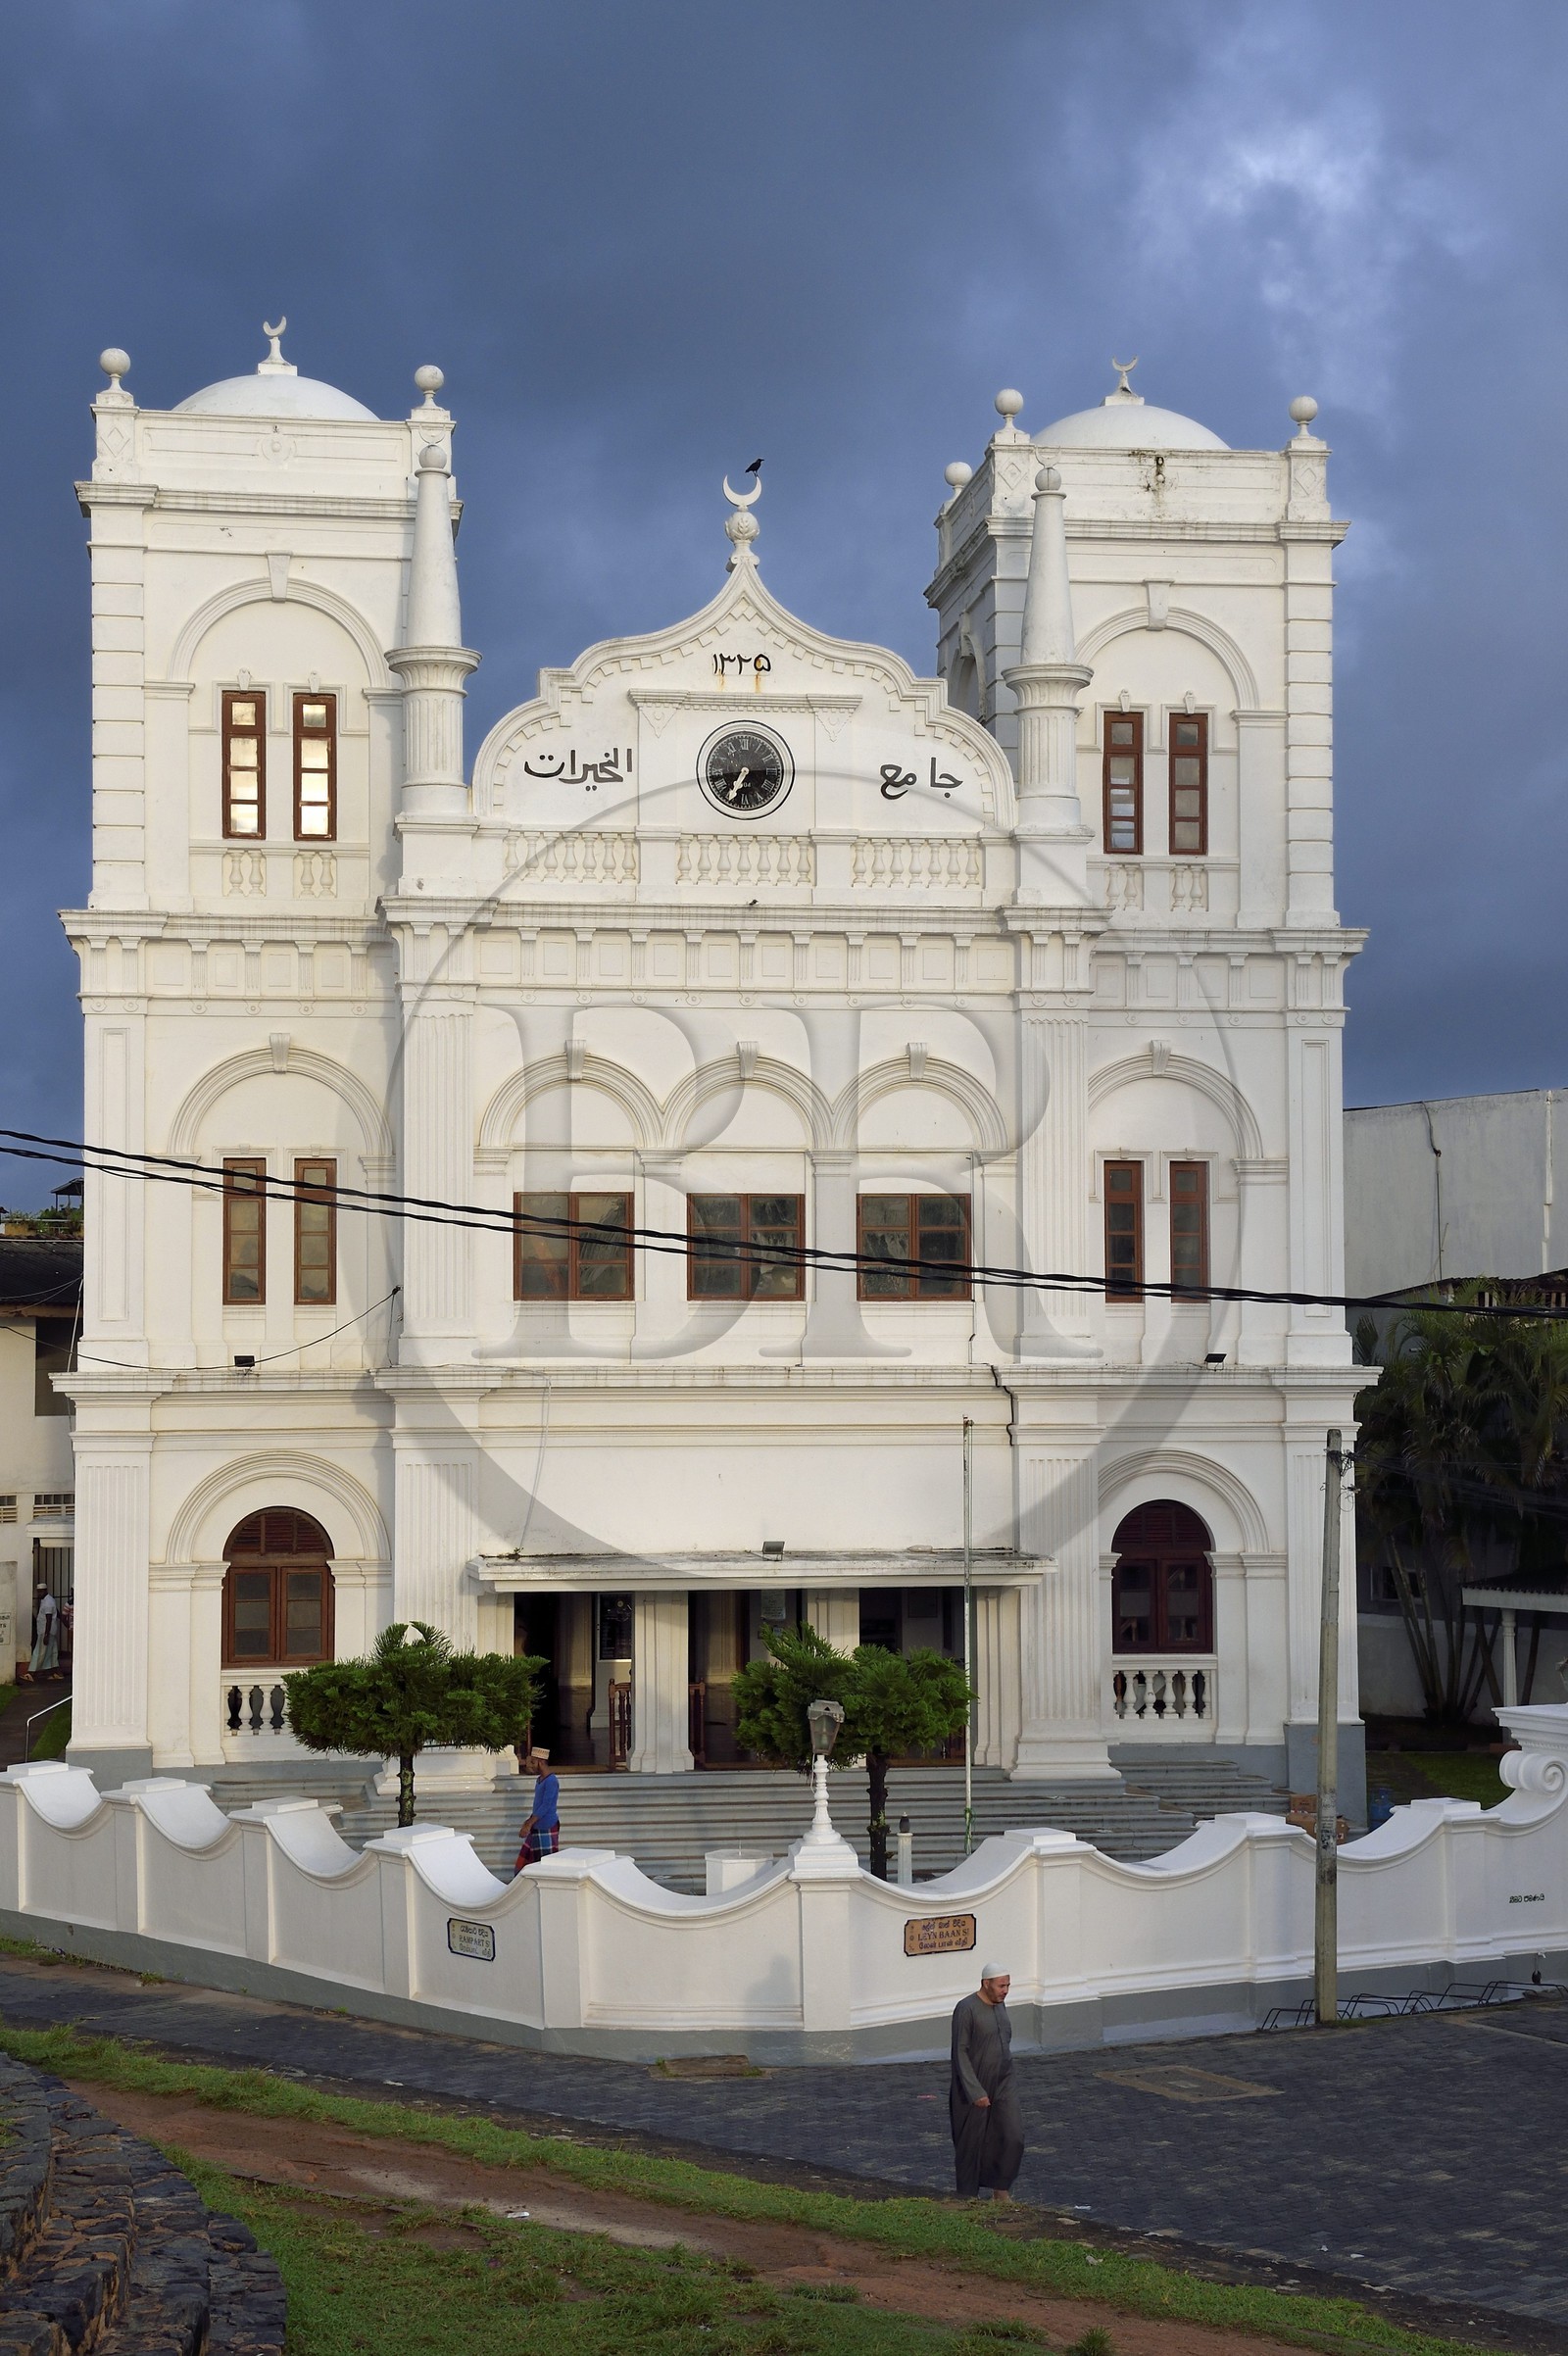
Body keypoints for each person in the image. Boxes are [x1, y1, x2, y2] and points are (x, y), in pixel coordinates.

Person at [950, 1964, 1024, 2201]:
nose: (1006, 1991)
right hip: (973, 2085)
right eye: (1002, 1985)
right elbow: (959, 2051)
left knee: (1013, 2136)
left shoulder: (1001, 2005)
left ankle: (1000, 2188)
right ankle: (967, 2198)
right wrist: (975, 2091)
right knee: (971, 2143)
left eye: (1008, 1985)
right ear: (986, 1984)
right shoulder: (966, 2009)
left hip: (1004, 2081)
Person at [514, 1747, 561, 1869]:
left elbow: (546, 1805)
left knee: (545, 1863)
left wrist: (529, 1823)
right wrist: (529, 1821)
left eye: (533, 1763)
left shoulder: (551, 1781)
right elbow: (539, 1805)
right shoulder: (540, 1780)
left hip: (547, 1824)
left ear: (541, 1762)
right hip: (537, 1824)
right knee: (525, 1863)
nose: (531, 1766)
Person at [27, 1587, 60, 1680]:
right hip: (49, 1631)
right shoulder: (49, 1600)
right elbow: (56, 1612)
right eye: (38, 1592)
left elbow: (48, 1619)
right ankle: (53, 1672)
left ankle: (31, 1673)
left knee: (39, 1651)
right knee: (51, 1652)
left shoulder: (48, 1602)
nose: (39, 1594)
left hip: (45, 1631)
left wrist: (46, 1634)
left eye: (41, 1592)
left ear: (46, 1591)